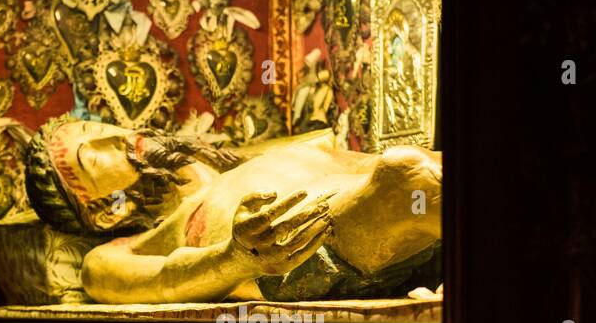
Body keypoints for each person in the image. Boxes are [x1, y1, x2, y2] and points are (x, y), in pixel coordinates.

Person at [24, 115, 442, 304]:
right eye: (91, 159)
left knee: (416, 166)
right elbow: (162, 282)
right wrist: (234, 258)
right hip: (301, 247)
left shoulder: (237, 163)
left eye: (97, 128)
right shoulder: (115, 255)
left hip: (359, 192)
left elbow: (351, 162)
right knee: (407, 179)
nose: (114, 138)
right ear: (104, 213)